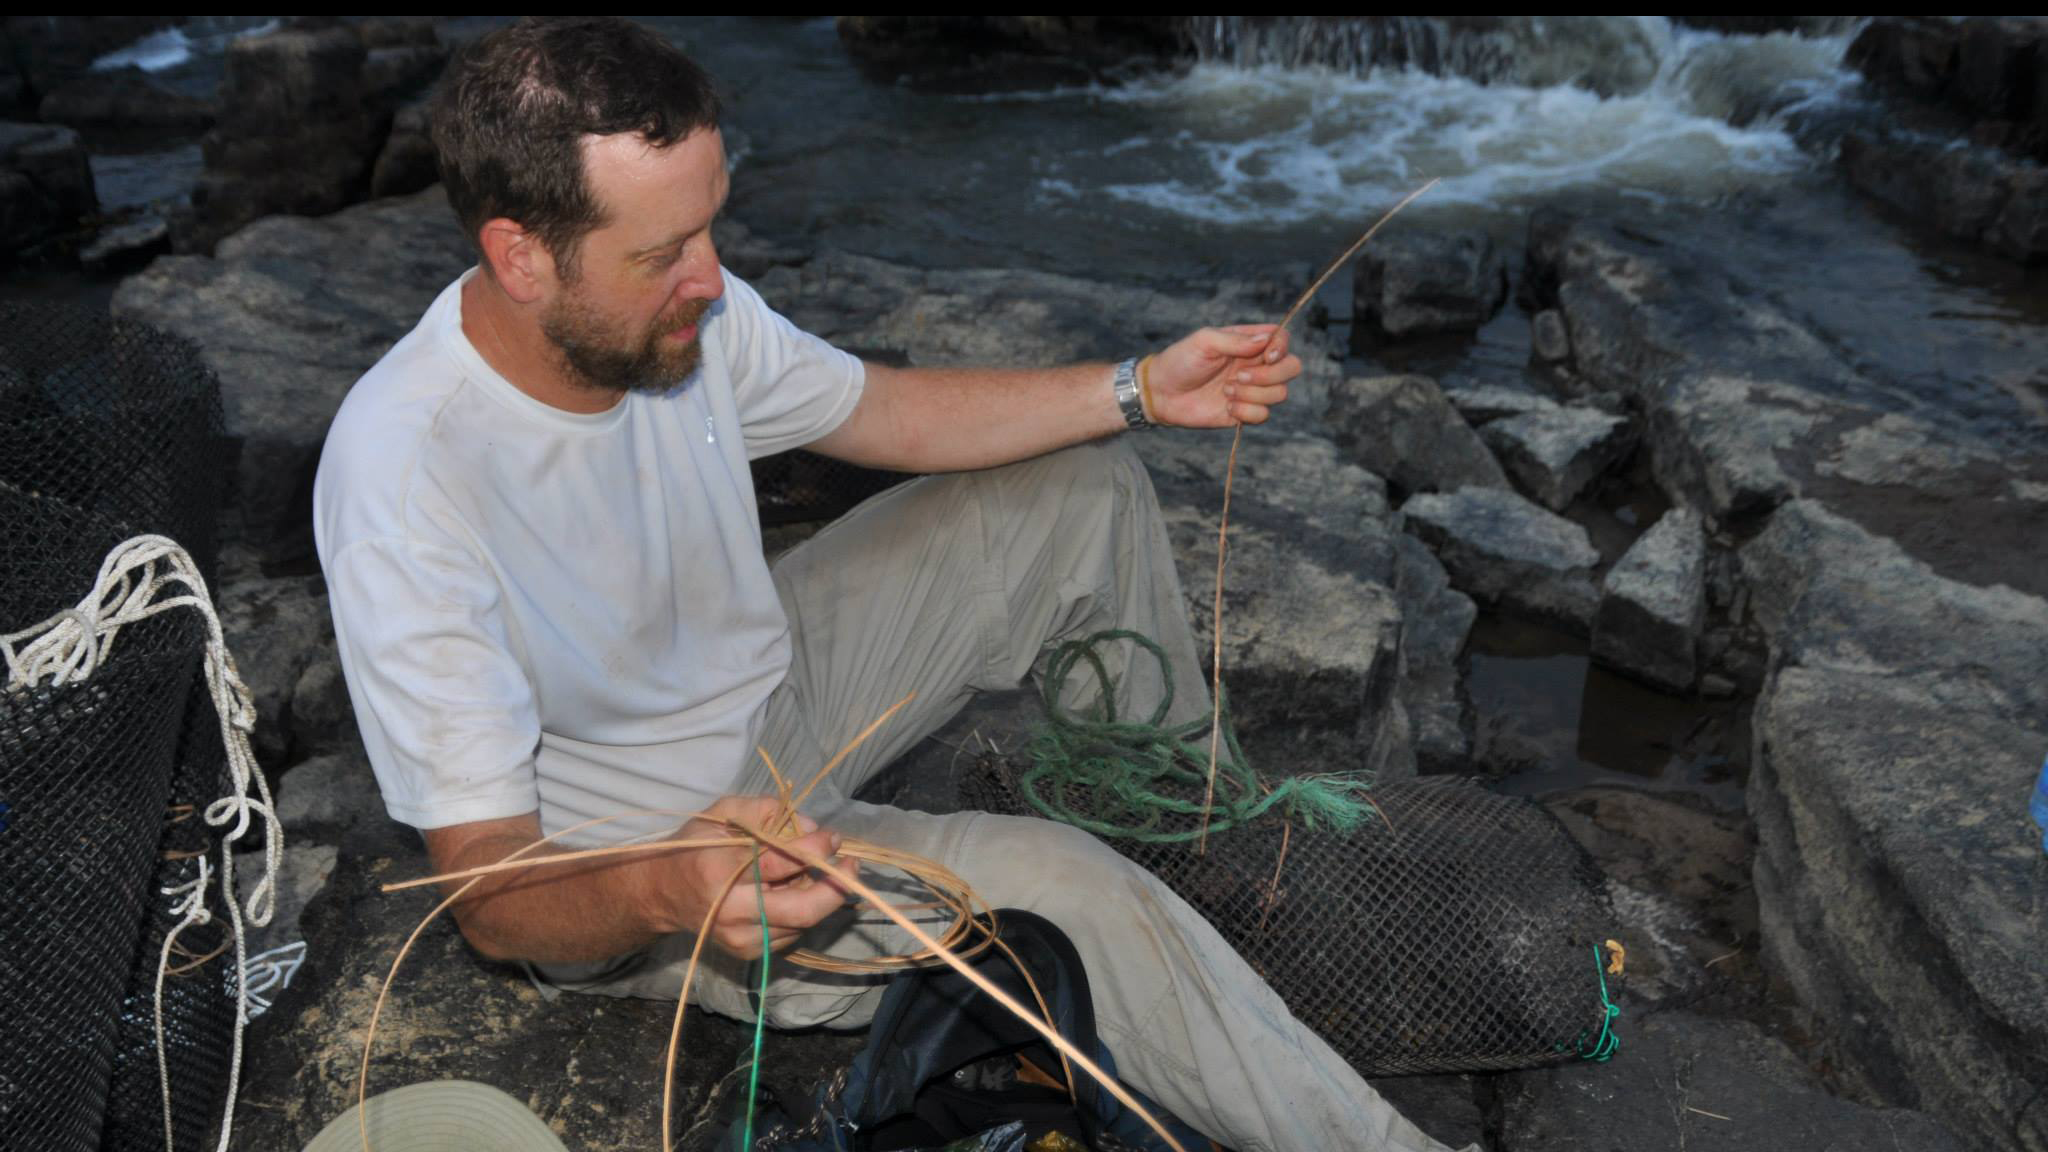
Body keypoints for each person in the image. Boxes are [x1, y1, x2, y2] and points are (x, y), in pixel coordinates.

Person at [314, 16, 1465, 1152]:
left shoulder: (682, 315)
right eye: (661, 253)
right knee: (1071, 898)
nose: (710, 281)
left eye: (709, 226)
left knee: (1078, 490)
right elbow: (491, 892)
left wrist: (1143, 389)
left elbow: (884, 410)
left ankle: (1187, 831)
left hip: (773, 701)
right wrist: (675, 887)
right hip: (654, 864)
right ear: (519, 256)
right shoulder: (405, 481)